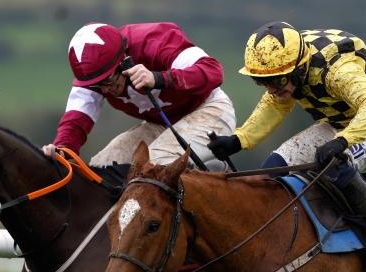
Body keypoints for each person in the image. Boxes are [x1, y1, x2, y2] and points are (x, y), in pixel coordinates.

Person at [208, 21, 366, 272]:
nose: (271, 89)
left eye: (277, 81)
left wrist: (343, 141)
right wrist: (239, 140)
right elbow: (275, 105)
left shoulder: (336, 69)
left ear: (299, 67)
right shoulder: (287, 65)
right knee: (273, 168)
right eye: (262, 82)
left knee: (333, 164)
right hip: (341, 122)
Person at [43, 22, 236, 171]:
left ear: (123, 61)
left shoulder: (156, 41)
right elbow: (75, 121)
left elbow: (213, 70)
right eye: (97, 86)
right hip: (161, 124)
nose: (105, 91)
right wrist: (63, 150)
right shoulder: (93, 77)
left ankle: (212, 175)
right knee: (101, 168)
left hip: (208, 110)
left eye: (108, 81)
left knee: (153, 168)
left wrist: (158, 78)